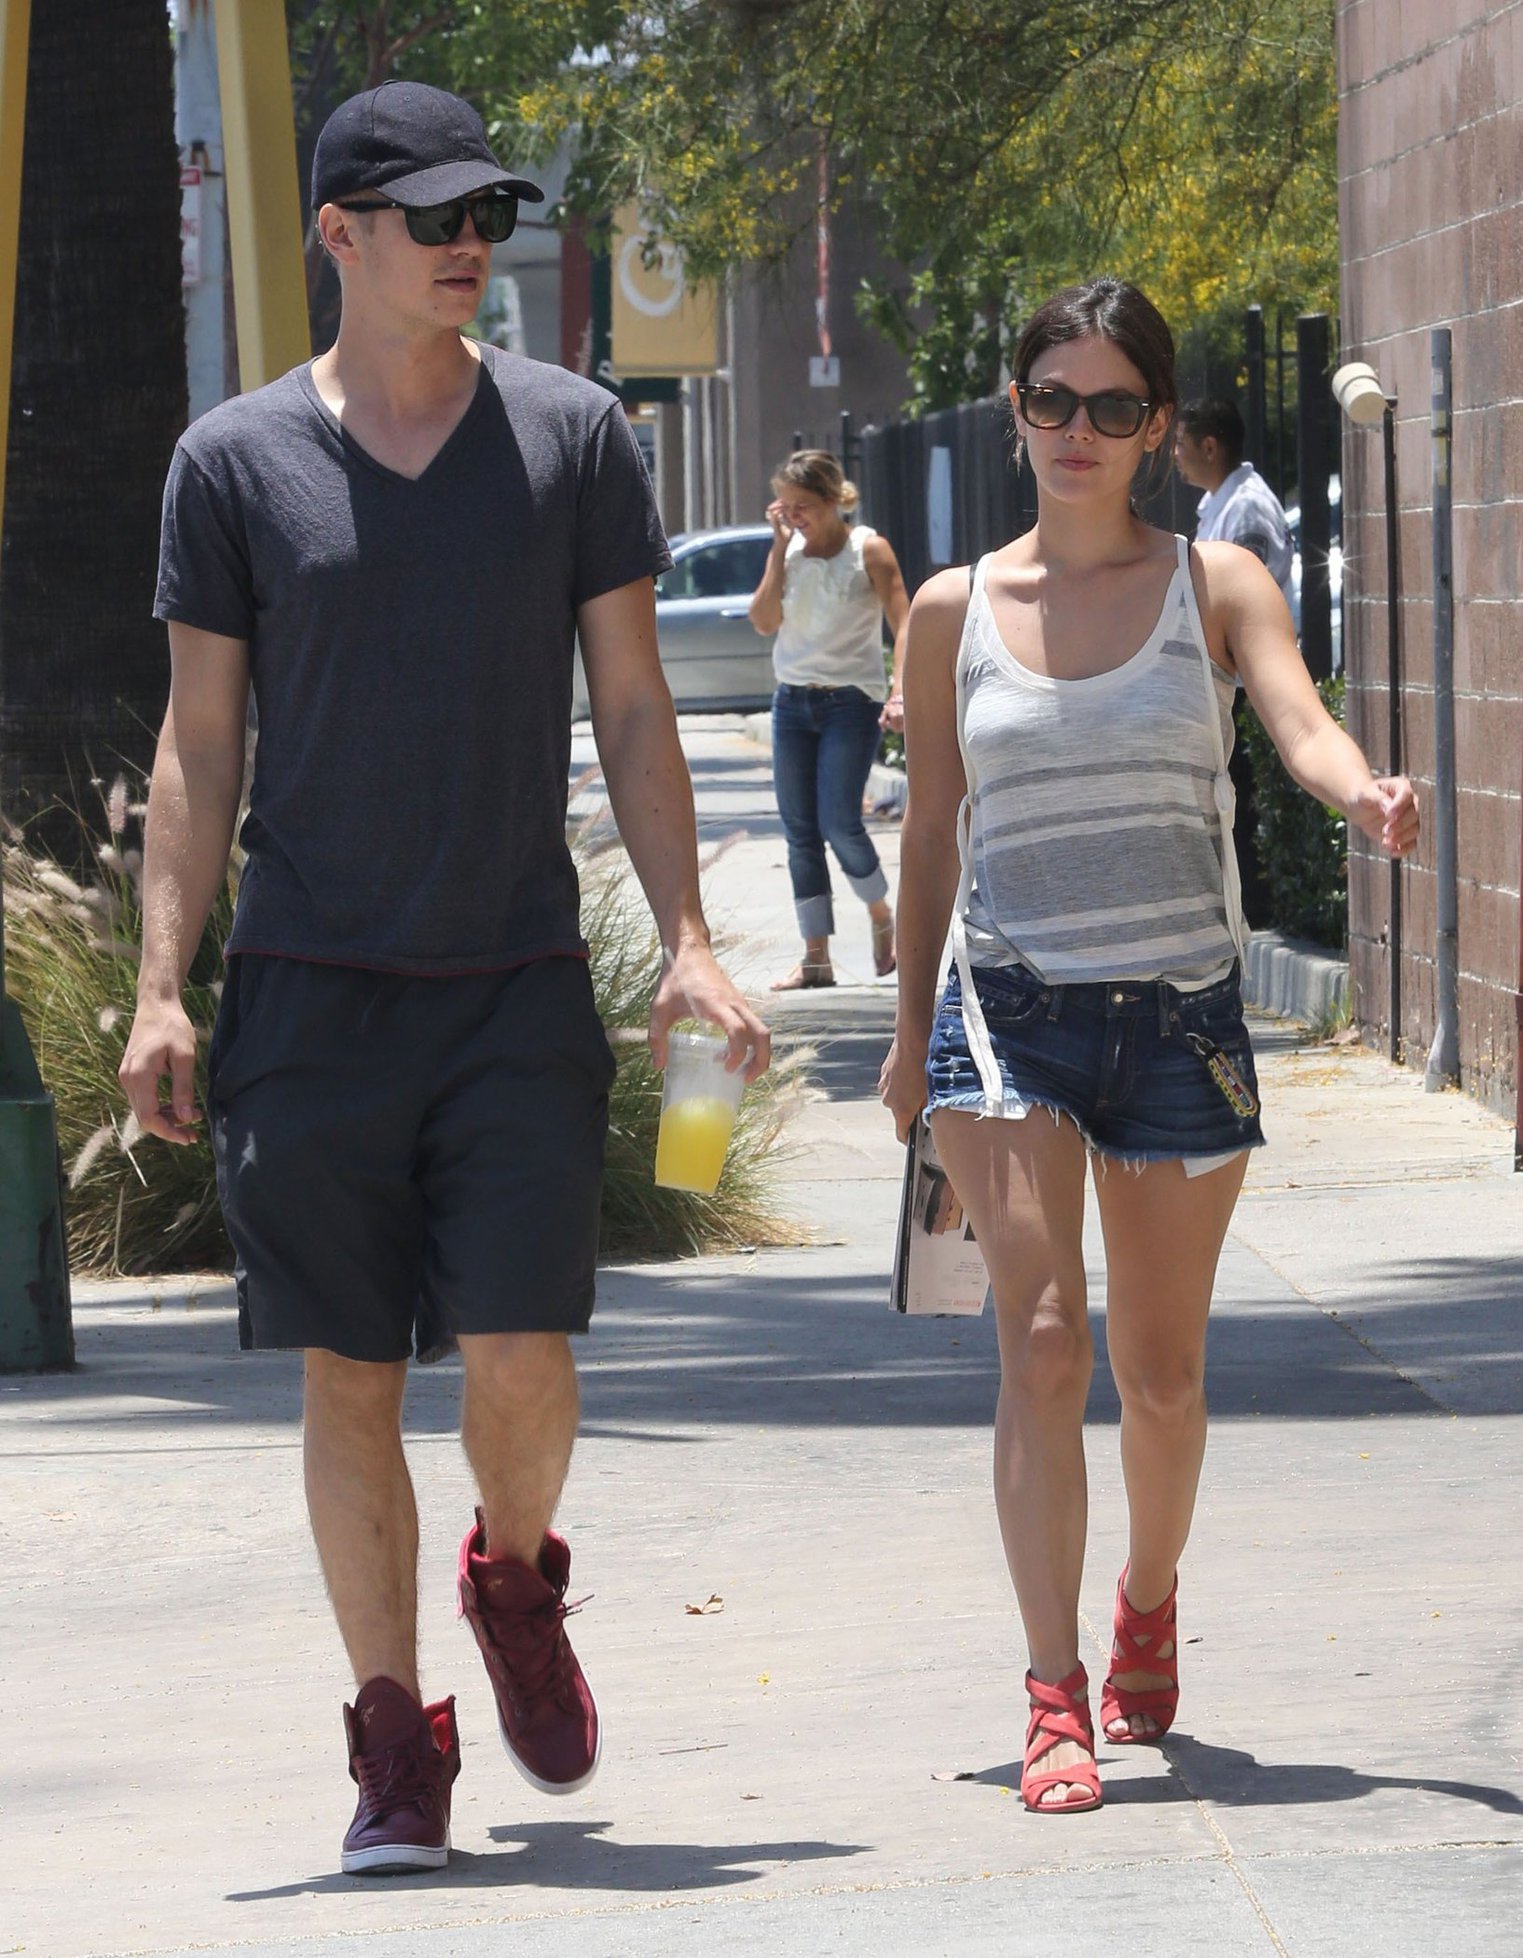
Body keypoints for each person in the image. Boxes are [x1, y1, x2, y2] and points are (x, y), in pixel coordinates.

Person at [119, 79, 769, 1876]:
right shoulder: (232, 463)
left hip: (513, 981)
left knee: (523, 1351)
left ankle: (511, 1571)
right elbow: (197, 743)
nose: (468, 238)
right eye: (429, 215)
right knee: (345, 1373)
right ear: (338, 236)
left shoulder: (572, 440)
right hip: (312, 987)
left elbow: (635, 708)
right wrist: (163, 985)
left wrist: (693, 942)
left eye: (485, 207)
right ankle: (395, 1739)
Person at [878, 278, 1417, 1816]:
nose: (1079, 430)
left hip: (1179, 1012)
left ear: (1155, 428)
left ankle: (1147, 1592)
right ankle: (1051, 1693)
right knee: (1040, 1347)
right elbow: (929, 835)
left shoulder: (1215, 580)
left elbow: (1296, 719)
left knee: (1159, 1377)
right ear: (1014, 409)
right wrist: (909, 1035)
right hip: (1007, 1014)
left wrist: (1356, 793)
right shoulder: (947, 610)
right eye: (1053, 398)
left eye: (1115, 406)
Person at [747, 450, 910, 989]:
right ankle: (816, 957)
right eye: (785, 507)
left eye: (804, 507)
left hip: (850, 704)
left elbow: (903, 622)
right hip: (792, 703)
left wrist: (900, 689)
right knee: (800, 832)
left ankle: (881, 913)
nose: (794, 517)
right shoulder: (788, 551)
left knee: (839, 821)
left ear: (835, 500)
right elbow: (764, 621)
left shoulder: (869, 550)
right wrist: (777, 547)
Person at [1174, 396, 1295, 608]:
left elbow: (1246, 600)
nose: (1175, 454)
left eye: (1181, 443)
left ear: (1209, 448)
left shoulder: (1247, 508)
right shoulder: (1225, 503)